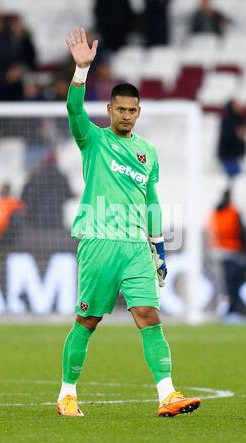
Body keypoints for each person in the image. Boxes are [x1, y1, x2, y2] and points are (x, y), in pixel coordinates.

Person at [57, 27, 201, 418]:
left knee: (149, 317)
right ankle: (67, 393)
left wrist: (159, 246)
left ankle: (167, 395)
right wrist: (81, 71)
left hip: (137, 245)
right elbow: (72, 110)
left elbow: (151, 199)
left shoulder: (148, 152)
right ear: (109, 110)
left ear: (139, 111)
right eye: (120, 109)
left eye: (132, 109)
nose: (126, 115)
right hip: (98, 240)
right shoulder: (93, 140)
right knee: (87, 320)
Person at [206, 189, 246, 315]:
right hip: (232, 253)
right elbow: (242, 234)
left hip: (218, 253)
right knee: (233, 284)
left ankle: (227, 309)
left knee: (225, 284)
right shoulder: (233, 213)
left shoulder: (215, 213)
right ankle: (230, 310)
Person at [0, 14, 36, 101]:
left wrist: (21, 69)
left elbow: (31, 61)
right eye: (14, 23)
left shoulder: (26, 41)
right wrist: (5, 75)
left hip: (19, 81)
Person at [218, 99, 246, 179]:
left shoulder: (241, 119)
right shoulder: (227, 120)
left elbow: (242, 136)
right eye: (237, 105)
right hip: (228, 155)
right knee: (233, 178)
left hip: (237, 155)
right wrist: (237, 133)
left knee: (238, 179)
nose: (240, 107)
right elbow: (227, 135)